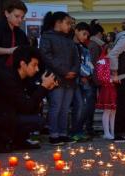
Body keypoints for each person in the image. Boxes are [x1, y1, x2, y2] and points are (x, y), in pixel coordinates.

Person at [0, 46, 57, 152]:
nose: (37, 69)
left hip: (10, 115)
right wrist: (43, 87)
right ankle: (4, 141)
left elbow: (32, 101)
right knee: (37, 121)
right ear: (23, 64)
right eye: (34, 65)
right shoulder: (7, 77)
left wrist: (46, 87)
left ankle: (19, 141)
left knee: (36, 113)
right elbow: (26, 107)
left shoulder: (25, 78)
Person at [40, 11, 80, 145]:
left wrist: (73, 71)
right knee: (56, 106)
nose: (70, 26)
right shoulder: (47, 37)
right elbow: (46, 56)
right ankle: (53, 134)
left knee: (65, 108)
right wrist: (64, 71)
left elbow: (76, 58)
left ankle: (63, 133)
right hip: (55, 78)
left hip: (70, 80)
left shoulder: (69, 39)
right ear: (58, 23)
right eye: (67, 23)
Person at [71, 22, 94, 142]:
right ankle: (74, 131)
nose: (85, 37)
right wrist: (84, 74)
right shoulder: (70, 46)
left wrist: (88, 74)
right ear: (76, 30)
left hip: (85, 81)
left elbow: (89, 64)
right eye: (84, 34)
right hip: (75, 81)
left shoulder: (84, 47)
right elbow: (75, 64)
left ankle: (79, 130)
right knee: (79, 105)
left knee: (85, 106)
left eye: (87, 35)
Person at [0, 0, 29, 69]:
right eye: (17, 16)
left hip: (14, 72)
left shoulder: (21, 34)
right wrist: (9, 50)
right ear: (7, 13)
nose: (20, 20)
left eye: (22, 17)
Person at [95, 43, 116, 140]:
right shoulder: (102, 61)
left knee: (113, 111)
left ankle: (112, 132)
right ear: (107, 50)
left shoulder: (115, 61)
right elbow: (99, 76)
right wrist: (110, 79)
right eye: (110, 49)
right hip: (107, 88)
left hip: (115, 88)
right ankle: (106, 133)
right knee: (107, 110)